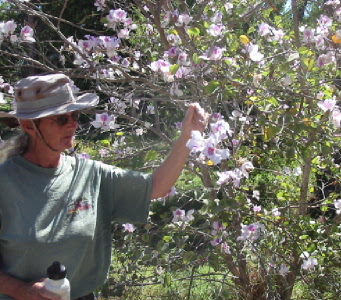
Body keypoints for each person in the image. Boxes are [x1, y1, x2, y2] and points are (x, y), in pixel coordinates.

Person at [0, 74, 208, 300]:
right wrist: (22, 291)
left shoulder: (90, 174)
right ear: (29, 125)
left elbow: (156, 187)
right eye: (60, 119)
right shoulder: (5, 183)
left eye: (75, 115)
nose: (72, 124)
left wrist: (188, 135)